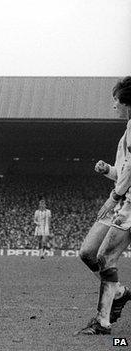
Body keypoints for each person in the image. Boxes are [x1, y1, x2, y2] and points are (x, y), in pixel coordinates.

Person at [76, 77, 131, 335]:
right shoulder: (128, 130)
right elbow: (123, 171)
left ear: (128, 102)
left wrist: (115, 196)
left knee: (105, 258)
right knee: (88, 252)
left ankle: (102, 322)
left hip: (128, 205)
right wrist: (108, 169)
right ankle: (118, 293)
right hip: (122, 201)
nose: (114, 106)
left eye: (116, 101)